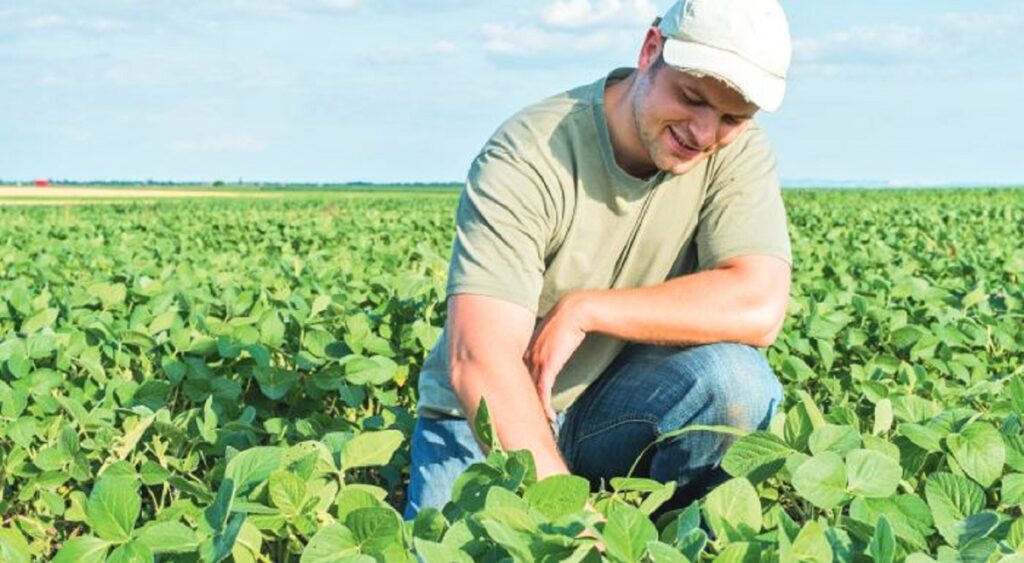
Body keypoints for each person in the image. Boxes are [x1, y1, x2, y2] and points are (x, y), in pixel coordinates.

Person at [405, 0, 793, 518]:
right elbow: (480, 358)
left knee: (738, 383)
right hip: (490, 413)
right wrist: (567, 517)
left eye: (731, 118)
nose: (703, 133)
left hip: (614, 407)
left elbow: (758, 303)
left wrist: (587, 309)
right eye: (691, 97)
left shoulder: (735, 152)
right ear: (650, 49)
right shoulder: (530, 154)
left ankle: (664, 533)